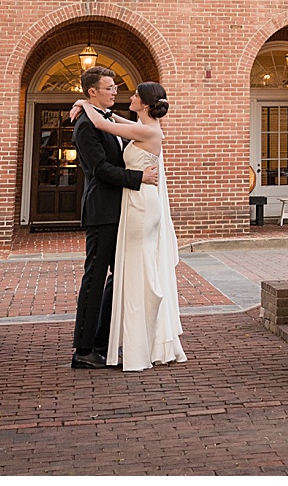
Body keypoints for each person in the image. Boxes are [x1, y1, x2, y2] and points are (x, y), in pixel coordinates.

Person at [72, 81, 186, 371]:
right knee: (115, 276)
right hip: (116, 208)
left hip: (139, 207)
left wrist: (85, 105)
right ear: (92, 91)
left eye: (132, 94)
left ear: (145, 104)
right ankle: (92, 346)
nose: (120, 94)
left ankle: (128, 341)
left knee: (133, 273)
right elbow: (100, 163)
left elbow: (105, 122)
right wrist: (83, 105)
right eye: (110, 88)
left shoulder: (145, 130)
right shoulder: (127, 124)